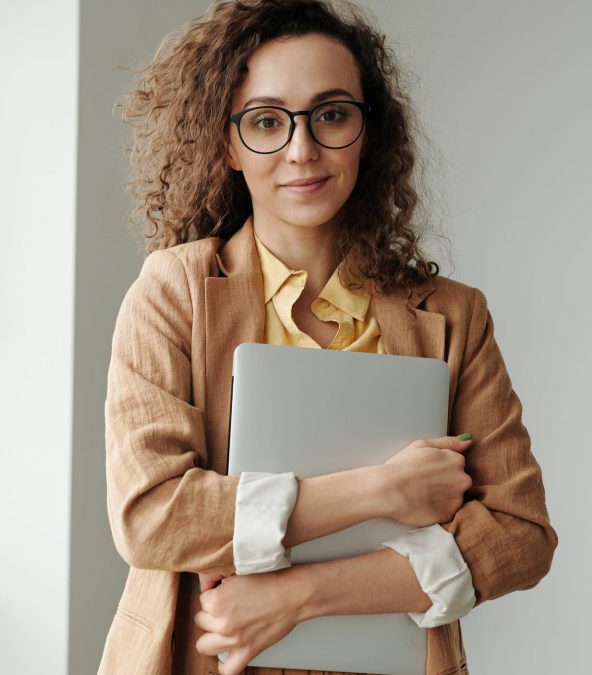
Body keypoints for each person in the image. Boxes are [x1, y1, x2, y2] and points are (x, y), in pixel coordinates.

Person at [99, 1, 557, 674]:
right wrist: (382, 490)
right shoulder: (174, 292)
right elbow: (153, 516)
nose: (301, 149)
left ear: (368, 132)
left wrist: (299, 595)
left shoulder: (455, 316)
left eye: (331, 114)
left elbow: (520, 535)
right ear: (226, 143)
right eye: (266, 121)